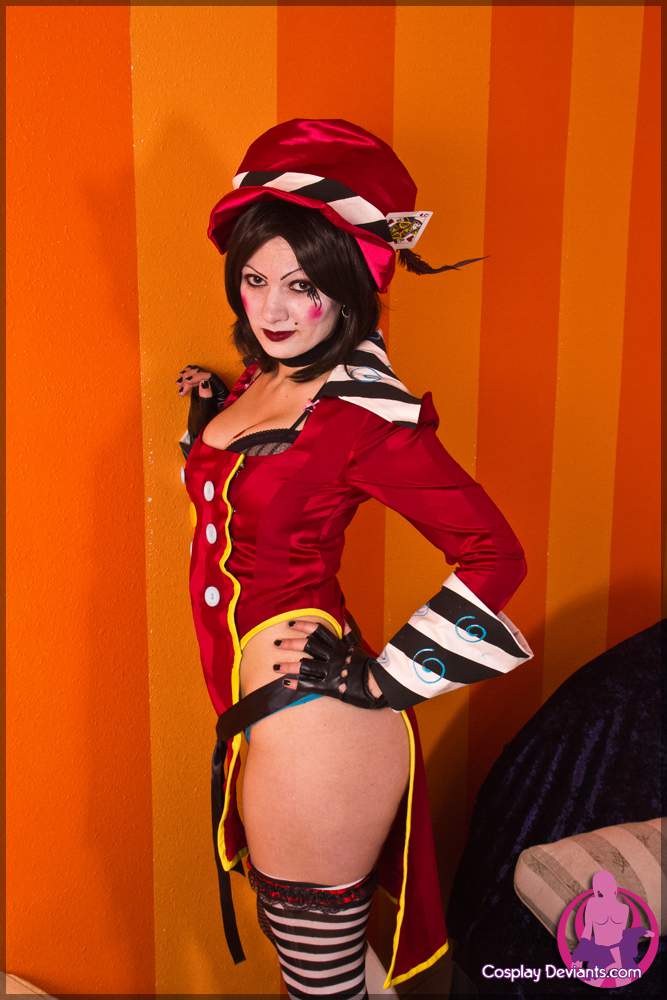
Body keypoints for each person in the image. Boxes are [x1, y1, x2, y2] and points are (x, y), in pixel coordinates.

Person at [176, 119, 534, 999]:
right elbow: (257, 487)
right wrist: (207, 412)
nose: (272, 310)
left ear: (349, 286)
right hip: (264, 717)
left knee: (317, 980)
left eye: (302, 286)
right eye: (256, 280)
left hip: (318, 725)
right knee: (319, 962)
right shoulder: (265, 381)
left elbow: (493, 553)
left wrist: (387, 679)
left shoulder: (365, 420)